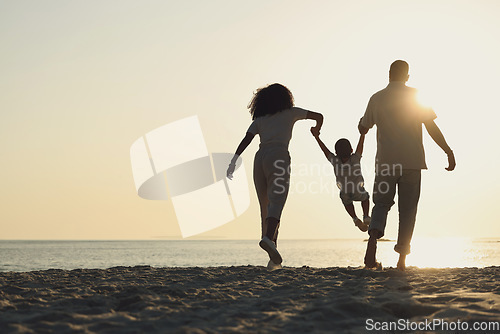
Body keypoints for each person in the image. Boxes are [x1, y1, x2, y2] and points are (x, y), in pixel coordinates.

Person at [358, 60, 456, 271]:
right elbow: (431, 126)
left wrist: (362, 124)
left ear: (389, 74)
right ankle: (402, 259)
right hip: (412, 162)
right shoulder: (416, 96)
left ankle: (373, 241)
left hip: (385, 163)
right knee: (408, 210)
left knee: (381, 204)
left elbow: (363, 128)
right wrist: (447, 151)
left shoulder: (376, 98)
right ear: (407, 76)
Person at [227, 83, 323, 269]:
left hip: (260, 158)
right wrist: (316, 130)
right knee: (277, 202)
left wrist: (234, 161)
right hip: (278, 156)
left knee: (266, 206)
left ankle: (273, 258)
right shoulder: (292, 112)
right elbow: (319, 116)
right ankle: (268, 239)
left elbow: (247, 139)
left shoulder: (261, 119)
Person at [311, 129, 371, 232]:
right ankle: (366, 216)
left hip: (345, 192)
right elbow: (361, 146)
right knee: (365, 198)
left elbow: (325, 151)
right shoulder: (355, 158)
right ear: (351, 150)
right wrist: (362, 134)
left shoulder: (335, 161)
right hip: (358, 189)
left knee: (347, 202)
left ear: (336, 153)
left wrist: (317, 138)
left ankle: (355, 218)